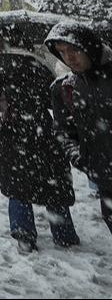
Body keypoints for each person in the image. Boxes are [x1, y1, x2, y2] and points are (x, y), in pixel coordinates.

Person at [0, 37, 79, 252]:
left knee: (17, 187)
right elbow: (53, 96)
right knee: (54, 185)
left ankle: (24, 234)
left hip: (8, 136)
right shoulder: (37, 64)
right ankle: (64, 234)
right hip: (42, 132)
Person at [47, 21, 112, 236]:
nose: (68, 58)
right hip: (105, 181)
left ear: (89, 46)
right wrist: (80, 157)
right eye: (62, 52)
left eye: (74, 49)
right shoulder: (67, 87)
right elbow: (64, 131)